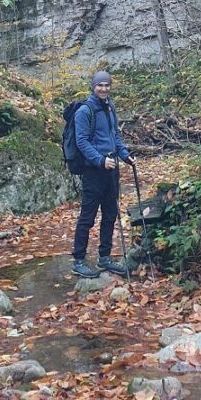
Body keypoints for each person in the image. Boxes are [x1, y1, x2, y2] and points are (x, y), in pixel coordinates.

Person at [71, 70, 134, 278]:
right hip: (93, 171)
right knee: (87, 217)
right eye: (100, 85)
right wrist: (99, 160)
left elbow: (114, 135)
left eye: (107, 85)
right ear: (93, 86)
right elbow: (81, 142)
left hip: (112, 168)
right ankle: (78, 260)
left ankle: (104, 257)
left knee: (110, 213)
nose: (104, 89)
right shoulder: (84, 111)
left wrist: (124, 155)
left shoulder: (109, 107)